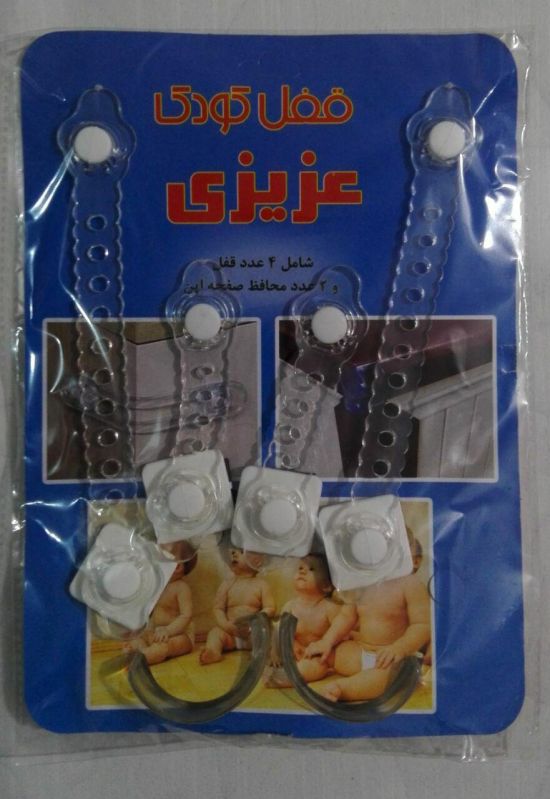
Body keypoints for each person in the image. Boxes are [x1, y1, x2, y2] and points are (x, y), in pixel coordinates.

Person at [318, 571, 431, 702]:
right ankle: (302, 672)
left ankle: (342, 689)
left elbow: (422, 625)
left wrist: (400, 648)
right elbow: (346, 617)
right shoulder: (360, 583)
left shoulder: (410, 583)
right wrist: (326, 642)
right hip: (362, 653)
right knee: (325, 655)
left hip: (395, 659)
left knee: (394, 674)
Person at [265, 554, 356, 687]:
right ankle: (277, 666)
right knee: (275, 631)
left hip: (316, 656)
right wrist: (294, 645)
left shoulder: (329, 608)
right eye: (300, 568)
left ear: (326, 586)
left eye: (312, 569)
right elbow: (283, 633)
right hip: (293, 652)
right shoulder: (290, 607)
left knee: (318, 667)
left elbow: (341, 633)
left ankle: (285, 678)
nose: (302, 571)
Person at [122, 541, 197, 666]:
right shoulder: (158, 586)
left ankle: (145, 656)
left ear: (178, 567)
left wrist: (168, 631)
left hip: (180, 636)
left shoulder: (181, 588)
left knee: (165, 647)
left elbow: (186, 616)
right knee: (138, 638)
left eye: (162, 558)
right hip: (156, 633)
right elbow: (147, 610)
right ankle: (141, 652)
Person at [200, 546, 275, 664]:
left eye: (241, 552)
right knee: (215, 633)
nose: (234, 555)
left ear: (257, 562)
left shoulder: (261, 585)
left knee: (268, 633)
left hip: (252, 634)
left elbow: (270, 608)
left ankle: (260, 654)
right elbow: (218, 608)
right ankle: (213, 651)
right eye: (233, 552)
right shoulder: (227, 584)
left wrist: (255, 621)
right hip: (231, 635)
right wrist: (225, 625)